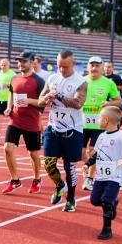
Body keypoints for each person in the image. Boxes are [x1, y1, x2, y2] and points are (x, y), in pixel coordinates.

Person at [38, 49, 87, 212]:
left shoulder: (81, 81)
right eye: (59, 66)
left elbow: (78, 103)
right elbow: (40, 100)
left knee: (69, 167)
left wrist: (58, 96)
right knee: (48, 164)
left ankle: (71, 198)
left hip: (73, 130)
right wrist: (46, 99)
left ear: (73, 64)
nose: (62, 69)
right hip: (53, 128)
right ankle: (60, 185)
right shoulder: (52, 78)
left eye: (65, 66)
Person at [81, 107, 122, 239]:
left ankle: (107, 229)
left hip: (115, 176)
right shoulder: (101, 136)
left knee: (105, 200)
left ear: (106, 120)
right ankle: (113, 202)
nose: (98, 119)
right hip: (101, 176)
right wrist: (87, 164)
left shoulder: (120, 137)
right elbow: (97, 155)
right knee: (95, 201)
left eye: (100, 117)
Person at [1, 51, 45, 194]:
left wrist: (29, 101)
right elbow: (12, 94)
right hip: (15, 119)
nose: (21, 64)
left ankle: (37, 179)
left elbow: (43, 102)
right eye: (19, 61)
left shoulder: (38, 81)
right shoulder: (14, 78)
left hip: (31, 122)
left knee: (33, 153)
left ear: (32, 63)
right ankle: (15, 180)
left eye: (24, 61)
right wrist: (9, 108)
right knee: (7, 148)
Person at [80, 56, 122, 191]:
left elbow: (118, 101)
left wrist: (109, 103)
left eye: (97, 66)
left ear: (102, 68)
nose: (94, 68)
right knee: (80, 153)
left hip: (99, 125)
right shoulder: (81, 81)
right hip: (81, 123)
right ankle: (88, 169)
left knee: (92, 151)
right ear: (87, 67)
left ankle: (90, 178)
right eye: (92, 65)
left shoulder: (108, 83)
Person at [0, 58, 15, 144]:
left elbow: (16, 87)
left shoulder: (13, 75)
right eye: (2, 65)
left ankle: (15, 135)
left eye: (5, 65)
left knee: (14, 119)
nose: (3, 66)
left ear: (9, 65)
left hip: (9, 100)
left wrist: (8, 85)